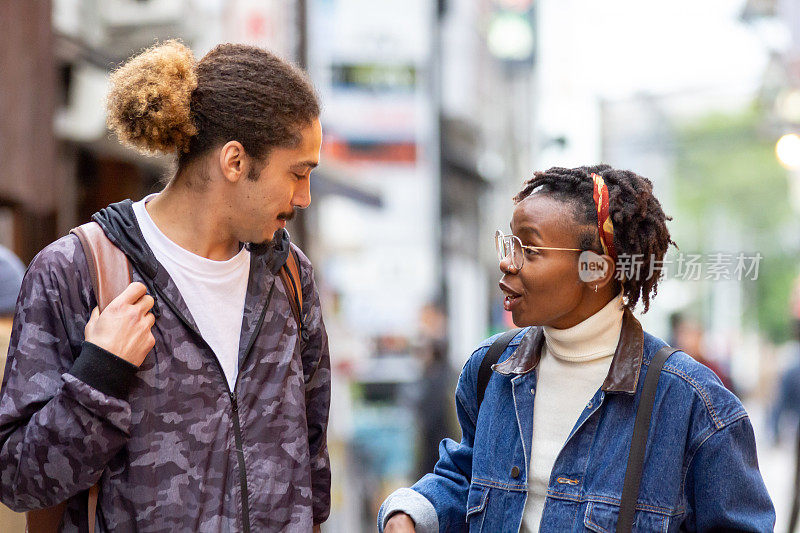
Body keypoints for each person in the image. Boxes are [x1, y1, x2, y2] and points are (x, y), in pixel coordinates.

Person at [0, 41, 330, 532]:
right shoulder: (77, 271)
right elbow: (18, 480)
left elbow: (313, 472)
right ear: (234, 162)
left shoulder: (290, 278)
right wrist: (98, 377)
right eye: (297, 173)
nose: (303, 197)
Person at [379, 165, 774, 532]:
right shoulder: (490, 369)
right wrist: (410, 512)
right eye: (508, 244)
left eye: (529, 250)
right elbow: (467, 476)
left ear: (595, 269)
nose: (507, 263)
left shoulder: (693, 405)